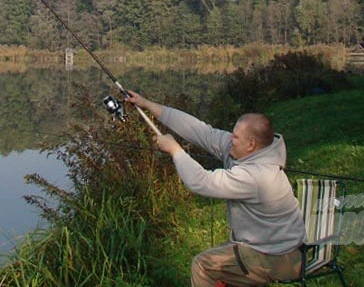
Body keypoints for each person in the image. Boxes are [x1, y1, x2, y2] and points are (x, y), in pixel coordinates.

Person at [125, 90, 305, 287]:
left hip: (278, 259)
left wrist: (175, 150)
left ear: (251, 144)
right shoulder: (246, 152)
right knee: (222, 262)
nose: (230, 140)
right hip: (270, 248)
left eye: (235, 137)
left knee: (203, 266)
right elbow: (200, 131)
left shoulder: (256, 176)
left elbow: (201, 181)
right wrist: (147, 104)